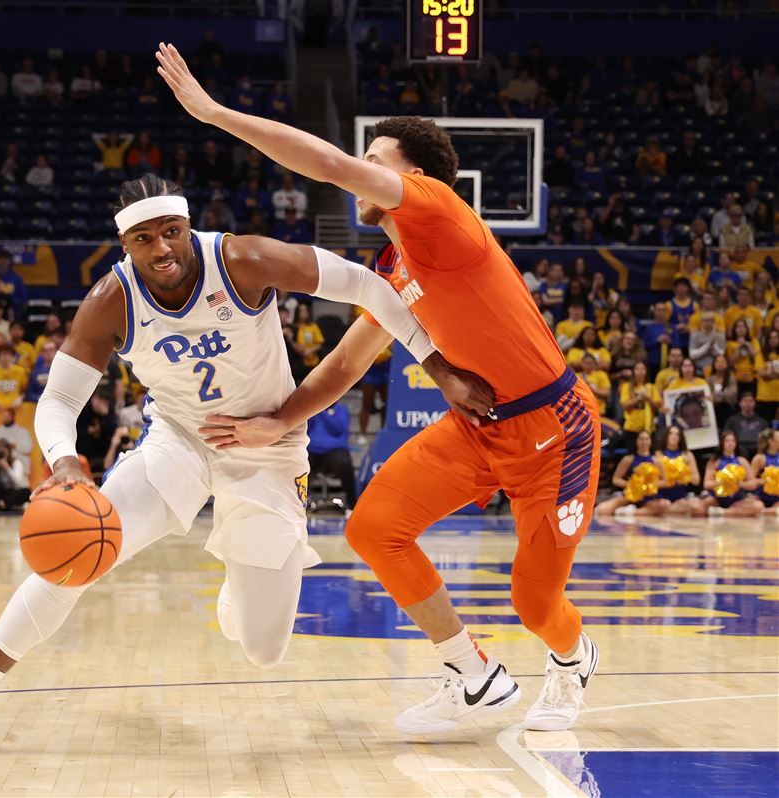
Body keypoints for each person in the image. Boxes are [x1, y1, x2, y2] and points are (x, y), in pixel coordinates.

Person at [0, 173, 488, 757]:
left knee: (264, 648)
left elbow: (368, 284)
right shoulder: (111, 300)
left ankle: (240, 577)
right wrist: (64, 462)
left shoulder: (242, 258)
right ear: (125, 245)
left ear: (188, 227)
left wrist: (437, 367)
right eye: (143, 239)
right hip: (177, 440)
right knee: (73, 556)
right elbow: (59, 400)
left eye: (171, 233)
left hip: (268, 445)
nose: (161, 249)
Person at [156, 44, 604, 734]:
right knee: (373, 528)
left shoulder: (444, 212)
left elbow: (331, 167)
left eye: (375, 160)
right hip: (477, 427)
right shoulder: (394, 269)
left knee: (535, 603)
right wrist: (278, 420)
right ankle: (471, 673)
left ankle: (572, 658)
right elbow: (344, 364)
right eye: (364, 158)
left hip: (552, 431)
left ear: (413, 178)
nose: (360, 170)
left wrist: (214, 113)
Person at [595, 430, 669, 518]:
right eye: (641, 439)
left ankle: (630, 512)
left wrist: (649, 485)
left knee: (664, 505)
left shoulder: (656, 461)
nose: (644, 442)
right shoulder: (628, 459)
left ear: (651, 441)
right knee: (601, 510)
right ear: (636, 441)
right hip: (631, 494)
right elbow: (616, 479)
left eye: (646, 439)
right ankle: (631, 509)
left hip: (649, 496)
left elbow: (665, 481)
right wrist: (633, 484)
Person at [695, 430, 762, 518]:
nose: (730, 443)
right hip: (717, 498)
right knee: (695, 508)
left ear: (736, 443)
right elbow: (706, 484)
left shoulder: (742, 461)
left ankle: (724, 512)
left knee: (758, 506)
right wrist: (721, 482)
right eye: (727, 441)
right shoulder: (714, 461)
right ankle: (729, 512)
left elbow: (752, 484)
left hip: (737, 499)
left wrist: (739, 484)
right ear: (722, 443)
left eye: (733, 441)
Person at [307, 403, 357, 511]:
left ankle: (352, 504)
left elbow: (338, 429)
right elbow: (306, 427)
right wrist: (312, 411)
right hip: (312, 450)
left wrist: (322, 411)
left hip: (334, 451)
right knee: (299, 464)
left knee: (345, 464)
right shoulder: (312, 408)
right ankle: (302, 502)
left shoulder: (341, 410)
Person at [620, 362, 660, 454]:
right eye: (637, 369)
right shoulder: (627, 386)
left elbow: (657, 408)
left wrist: (648, 398)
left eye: (643, 369)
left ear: (646, 371)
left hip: (649, 428)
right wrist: (638, 398)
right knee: (633, 456)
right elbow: (625, 406)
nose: (640, 372)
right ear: (633, 371)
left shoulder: (652, 387)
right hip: (632, 428)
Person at [0, 439, 29, 513]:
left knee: (26, 491)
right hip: (1, 494)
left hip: (13, 491)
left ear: (9, 451)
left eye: (3, 452)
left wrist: (6, 467)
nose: (1, 455)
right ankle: (5, 505)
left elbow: (18, 483)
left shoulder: (16, 462)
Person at [724, 393, 769, 460]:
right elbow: (726, 435)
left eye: (751, 401)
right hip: (739, 449)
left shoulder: (762, 421)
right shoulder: (732, 420)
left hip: (758, 449)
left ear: (755, 403)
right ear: (740, 403)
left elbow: (767, 438)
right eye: (745, 401)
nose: (748, 404)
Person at [749, 428, 779, 517]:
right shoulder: (760, 458)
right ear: (771, 441)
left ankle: (766, 512)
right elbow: (750, 481)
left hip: (778, 497)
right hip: (761, 496)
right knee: (755, 505)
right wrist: (765, 481)